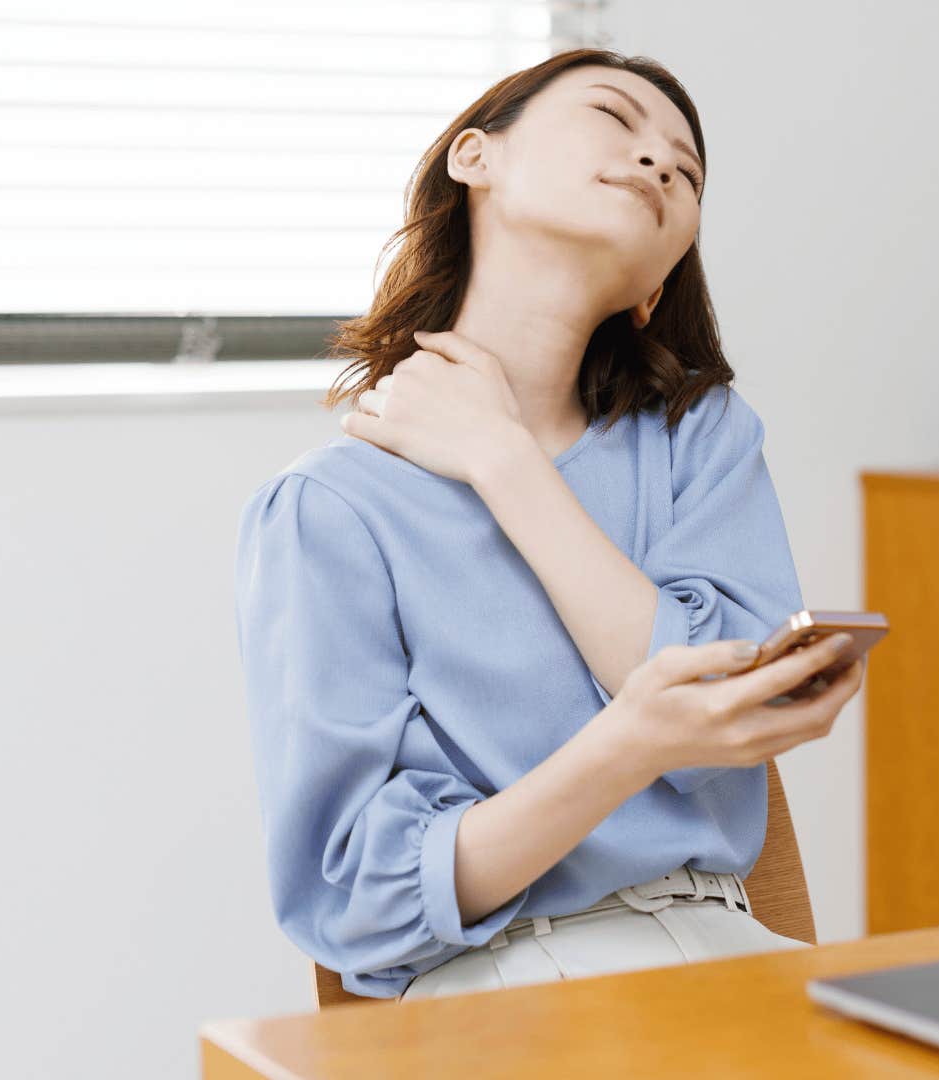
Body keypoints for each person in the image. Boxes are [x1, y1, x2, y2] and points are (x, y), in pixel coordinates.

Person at [233, 49, 864, 1002]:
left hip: (735, 955)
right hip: (502, 986)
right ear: (474, 158)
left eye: (687, 173)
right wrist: (629, 744)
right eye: (614, 119)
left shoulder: (702, 440)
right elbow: (357, 899)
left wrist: (505, 462)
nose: (658, 163)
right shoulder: (334, 511)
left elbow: (735, 710)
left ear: (654, 288)